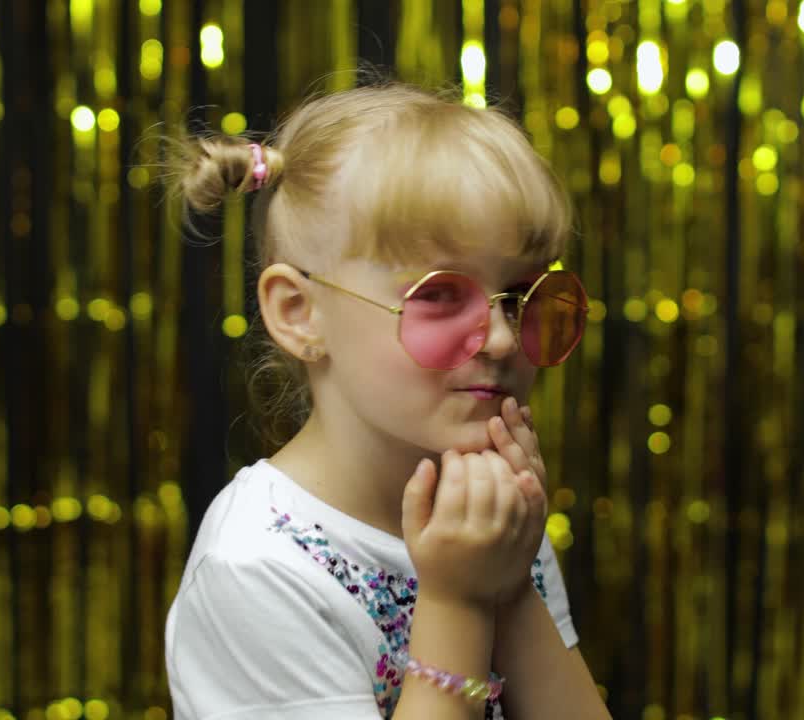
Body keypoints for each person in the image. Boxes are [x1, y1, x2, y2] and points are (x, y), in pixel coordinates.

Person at [163, 81, 610, 720]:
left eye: (522, 296)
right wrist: (459, 601)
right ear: (299, 313)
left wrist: (511, 588)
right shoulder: (256, 566)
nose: (503, 338)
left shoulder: (492, 511)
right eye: (440, 295)